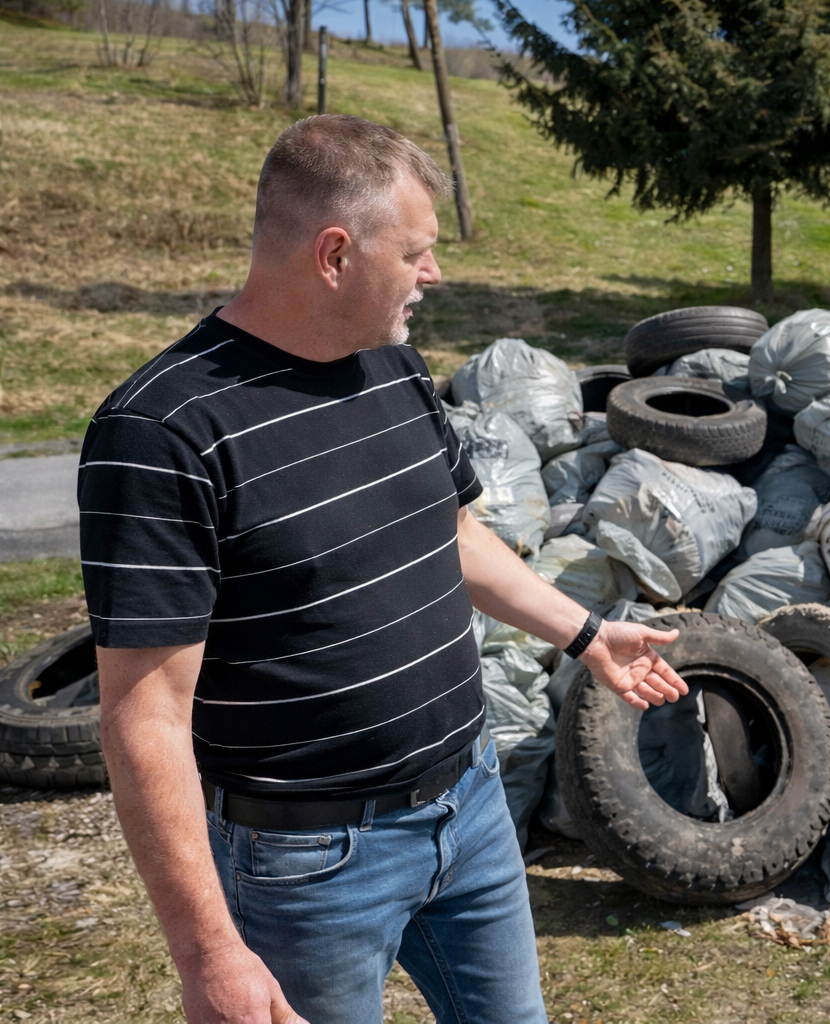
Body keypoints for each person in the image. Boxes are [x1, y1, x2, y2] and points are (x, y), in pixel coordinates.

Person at [80, 114, 688, 1024]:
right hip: (307, 868)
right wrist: (209, 955)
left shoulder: (393, 368)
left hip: (472, 807)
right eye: (416, 253)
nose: (434, 274)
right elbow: (144, 715)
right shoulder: (163, 434)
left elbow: (453, 534)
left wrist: (586, 631)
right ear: (335, 254)